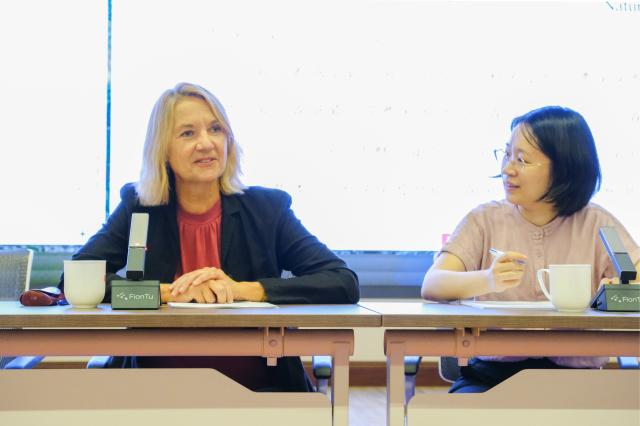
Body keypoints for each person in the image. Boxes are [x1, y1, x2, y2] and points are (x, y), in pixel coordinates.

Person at [61, 82, 359, 392]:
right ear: (162, 149)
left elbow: (342, 281)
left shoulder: (267, 209)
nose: (206, 143)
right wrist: (168, 293)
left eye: (215, 129)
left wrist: (242, 290)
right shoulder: (139, 208)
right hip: (153, 393)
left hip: (261, 393)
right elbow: (76, 279)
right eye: (188, 133)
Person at [421, 105, 640, 393]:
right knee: (460, 412)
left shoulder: (597, 222)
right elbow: (433, 284)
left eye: (522, 160)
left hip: (579, 380)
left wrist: (619, 291)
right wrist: (488, 279)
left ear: (564, 168)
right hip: (492, 377)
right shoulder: (484, 219)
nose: (507, 169)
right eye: (507, 155)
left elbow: (635, 278)